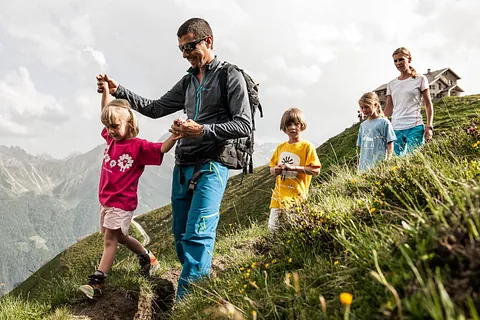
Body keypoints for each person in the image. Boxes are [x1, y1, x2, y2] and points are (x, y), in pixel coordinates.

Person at [96, 18, 252, 299]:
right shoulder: (189, 81)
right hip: (184, 164)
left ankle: (186, 304)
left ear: (208, 41)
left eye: (190, 46)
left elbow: (244, 124)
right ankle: (198, 284)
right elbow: (156, 108)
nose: (185, 53)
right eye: (181, 49)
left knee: (197, 235)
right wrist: (119, 91)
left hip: (213, 163)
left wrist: (202, 129)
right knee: (180, 235)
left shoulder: (230, 76)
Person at [79, 82, 178, 299]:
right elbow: (106, 111)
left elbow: (160, 149)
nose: (110, 131)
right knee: (118, 237)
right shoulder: (111, 138)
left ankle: (98, 281)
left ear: (129, 123)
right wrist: (105, 91)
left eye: (115, 126)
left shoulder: (138, 146)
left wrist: (174, 136)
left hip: (121, 203)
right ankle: (147, 258)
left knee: (110, 240)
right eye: (108, 127)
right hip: (107, 201)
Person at [268, 108, 321, 233]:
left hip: (297, 196)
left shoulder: (307, 147)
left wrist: (294, 168)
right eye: (288, 125)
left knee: (293, 229)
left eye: (296, 124)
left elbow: (316, 170)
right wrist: (275, 170)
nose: (292, 128)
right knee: (273, 228)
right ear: (284, 128)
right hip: (278, 196)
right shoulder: (281, 147)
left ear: (302, 126)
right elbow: (272, 168)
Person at [384, 47, 434, 156]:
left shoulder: (420, 79)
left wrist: (429, 126)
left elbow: (428, 104)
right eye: (395, 61)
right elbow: (388, 109)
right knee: (396, 163)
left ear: (409, 59)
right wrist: (375, 122)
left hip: (414, 126)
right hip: (396, 128)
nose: (398, 63)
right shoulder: (391, 84)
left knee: (415, 159)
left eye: (401, 59)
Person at [356, 92, 396, 172]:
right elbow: (361, 148)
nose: (364, 110)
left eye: (367, 107)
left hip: (379, 164)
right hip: (364, 168)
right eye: (362, 107)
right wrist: (359, 165)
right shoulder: (362, 126)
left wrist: (388, 159)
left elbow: (390, 143)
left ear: (375, 105)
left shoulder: (384, 122)